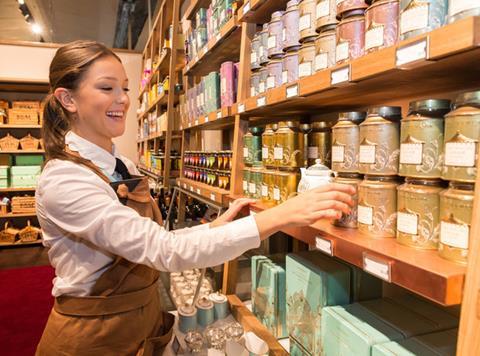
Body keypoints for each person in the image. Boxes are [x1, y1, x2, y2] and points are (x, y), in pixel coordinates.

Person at [35, 40, 355, 355]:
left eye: (126, 88)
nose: (122, 100)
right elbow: (162, 250)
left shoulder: (121, 165)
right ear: (68, 99)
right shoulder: (65, 179)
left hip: (139, 323)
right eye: (107, 88)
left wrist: (216, 227)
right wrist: (281, 215)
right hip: (91, 339)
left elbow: (151, 238)